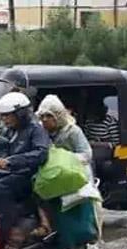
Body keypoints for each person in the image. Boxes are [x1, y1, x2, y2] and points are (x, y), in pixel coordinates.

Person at [0, 92, 50, 249]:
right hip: (6, 173)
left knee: (1, 188)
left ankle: (6, 232)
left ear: (21, 114)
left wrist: (12, 161)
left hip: (27, 175)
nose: (5, 119)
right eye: (2, 116)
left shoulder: (35, 130)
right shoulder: (7, 130)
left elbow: (41, 153)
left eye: (8, 115)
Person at [34, 95, 100, 238]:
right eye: (42, 116)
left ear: (57, 116)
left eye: (49, 116)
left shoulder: (72, 131)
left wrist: (65, 159)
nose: (45, 119)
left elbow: (86, 153)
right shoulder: (39, 132)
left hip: (73, 172)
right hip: (48, 174)